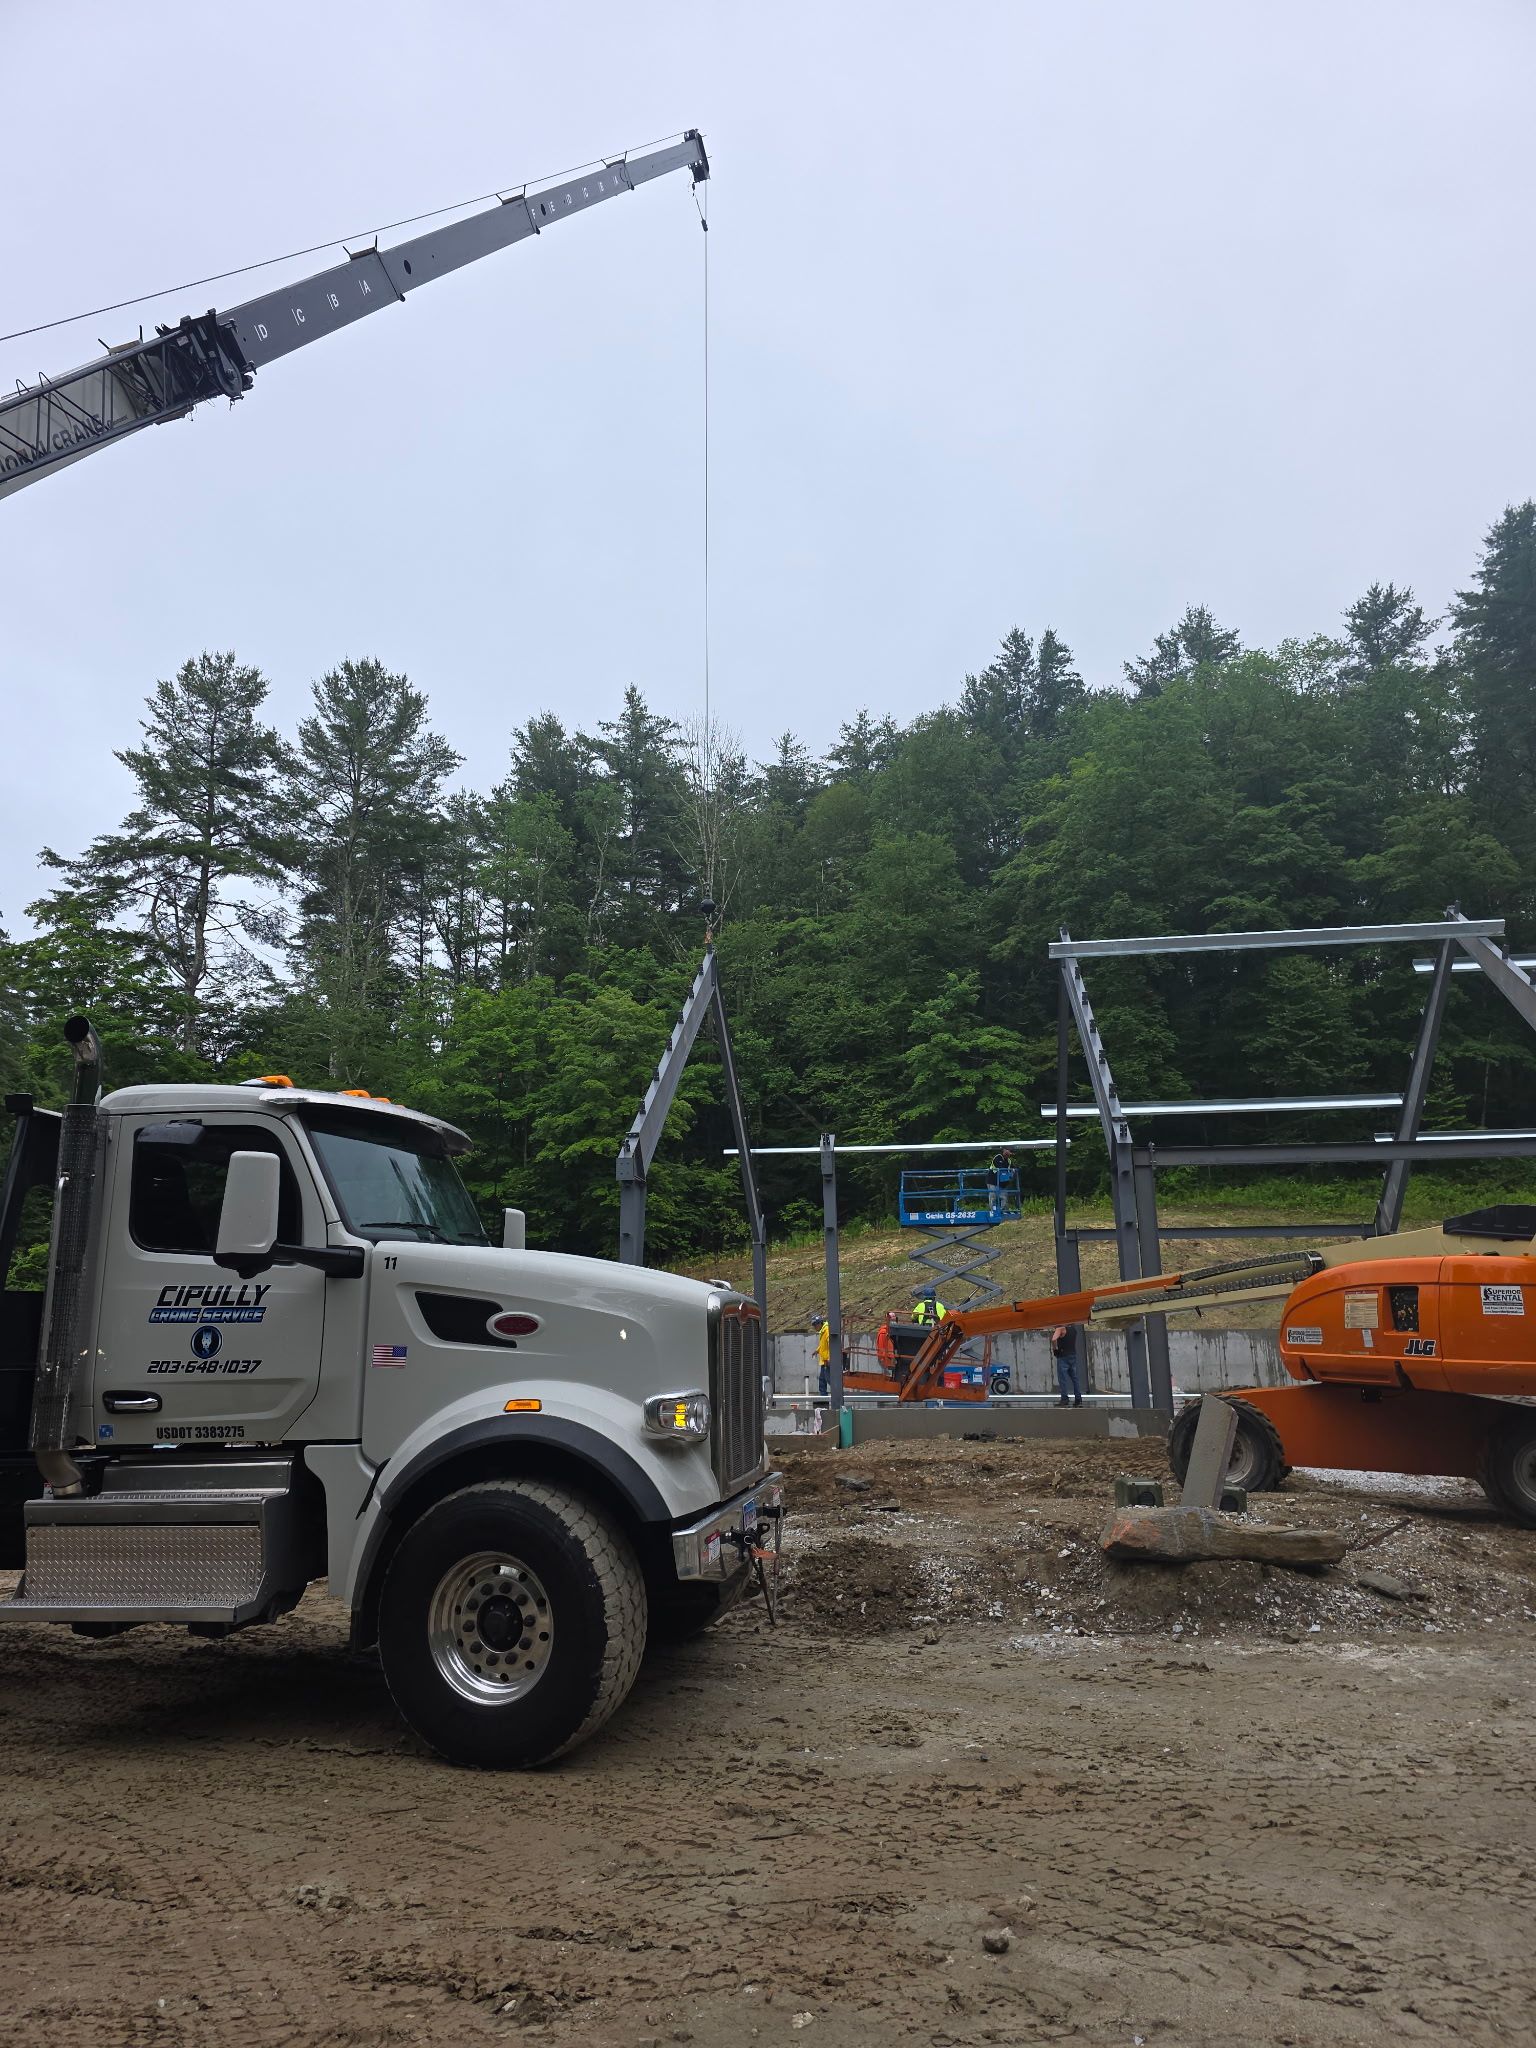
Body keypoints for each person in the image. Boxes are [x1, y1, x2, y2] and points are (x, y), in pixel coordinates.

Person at [1050, 1322, 1083, 1407]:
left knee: (1063, 1379)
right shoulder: (1073, 1329)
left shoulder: (1060, 1328)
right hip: (1073, 1355)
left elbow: (1054, 1339)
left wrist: (1055, 1350)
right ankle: (1078, 1399)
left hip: (1063, 1356)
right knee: (1075, 1378)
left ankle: (1064, 1399)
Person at [876, 1310, 897, 1377]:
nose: (894, 1322)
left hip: (891, 1361)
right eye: (892, 1320)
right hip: (887, 1362)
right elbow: (881, 1349)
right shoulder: (883, 1333)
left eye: (895, 1320)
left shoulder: (893, 1332)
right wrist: (883, 1361)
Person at [816, 1312, 831, 1398]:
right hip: (824, 1361)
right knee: (823, 1380)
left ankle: (825, 1397)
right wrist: (817, 1350)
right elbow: (823, 1344)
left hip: (827, 1361)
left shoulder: (826, 1330)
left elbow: (830, 1343)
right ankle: (823, 1397)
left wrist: (830, 1357)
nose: (814, 1328)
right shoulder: (823, 1330)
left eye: (815, 1326)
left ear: (819, 1323)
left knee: (827, 1380)